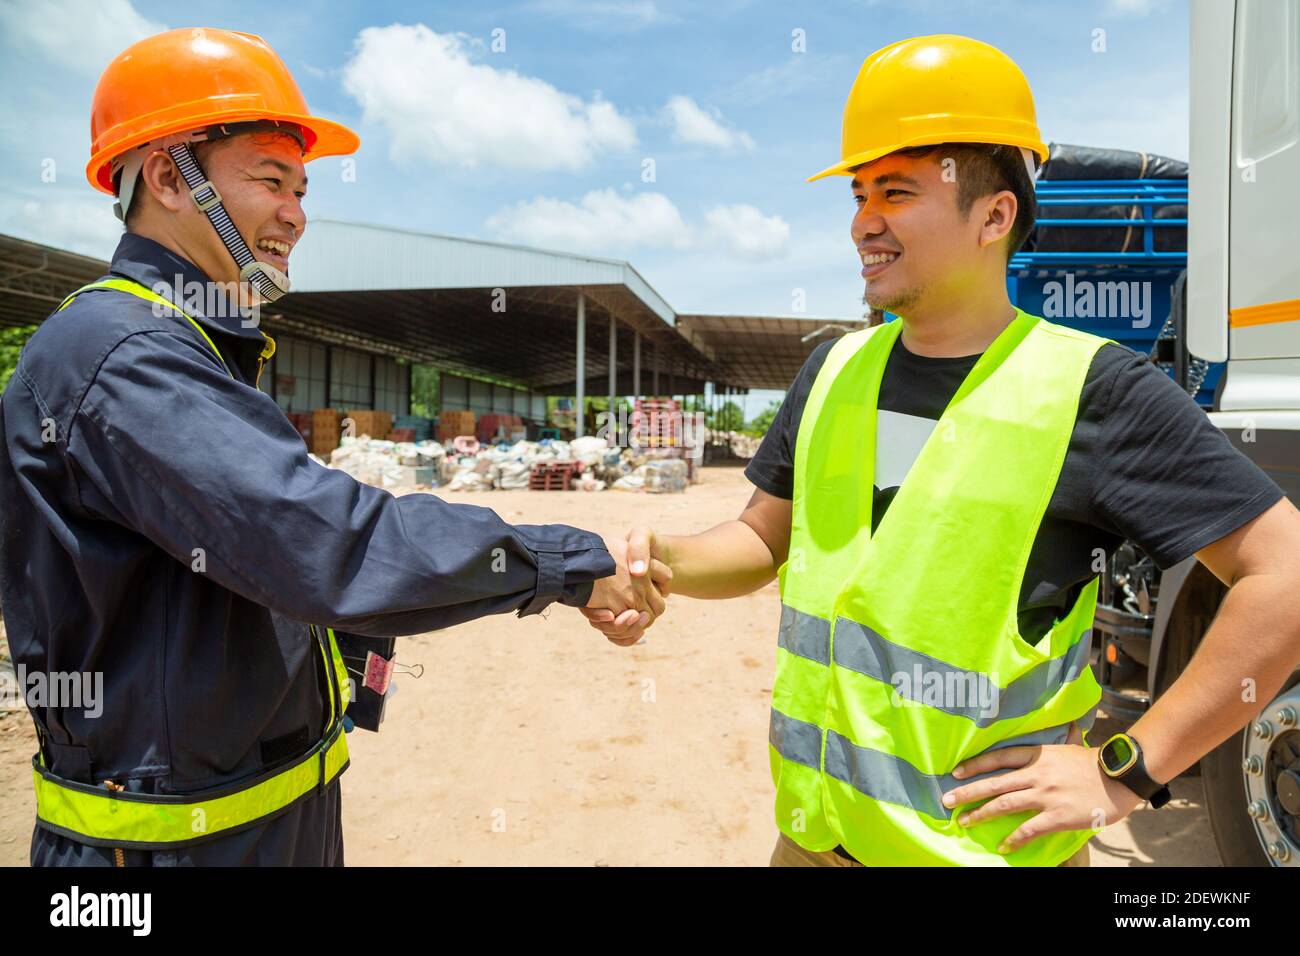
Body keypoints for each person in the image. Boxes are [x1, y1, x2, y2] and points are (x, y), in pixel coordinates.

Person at [586, 34, 1300, 866]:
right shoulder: (835, 369)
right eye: (858, 195)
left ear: (994, 216)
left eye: (896, 191)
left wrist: (1126, 768)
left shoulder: (1091, 390)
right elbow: (761, 542)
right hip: (815, 841)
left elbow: (1284, 574)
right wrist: (665, 556)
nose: (863, 222)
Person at [0, 27, 665, 867]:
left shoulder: (195, 346)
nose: (297, 215)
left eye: (303, 189)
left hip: (260, 823)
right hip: (165, 853)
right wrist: (567, 562)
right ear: (171, 177)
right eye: (272, 181)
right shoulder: (123, 355)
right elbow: (320, 542)